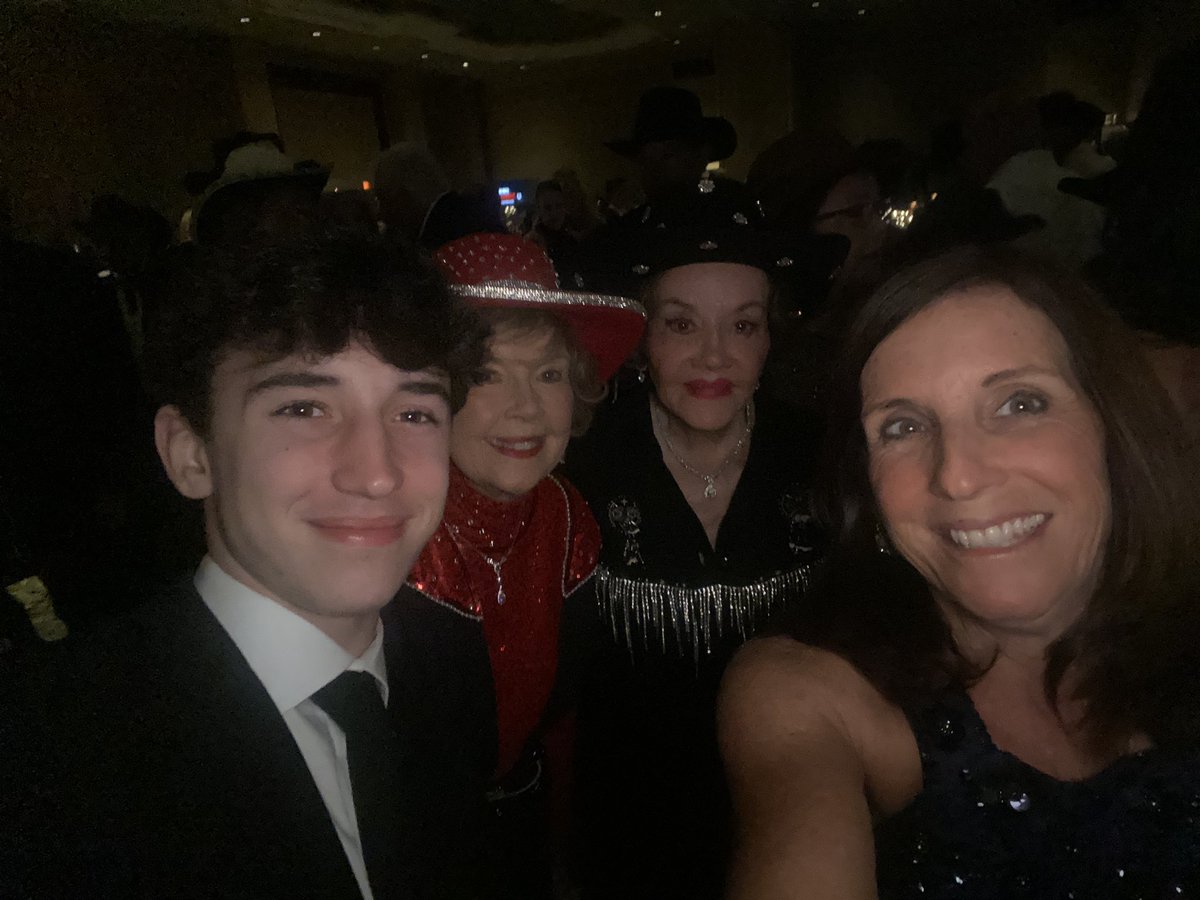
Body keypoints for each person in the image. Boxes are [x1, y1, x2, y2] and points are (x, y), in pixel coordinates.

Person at [0, 217, 496, 899]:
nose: (376, 474)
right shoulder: (45, 757)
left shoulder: (454, 658)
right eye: (302, 408)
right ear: (191, 453)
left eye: (414, 414)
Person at [719, 246, 1200, 899]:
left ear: (1116, 428)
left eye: (1020, 404)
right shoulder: (810, 694)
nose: (959, 475)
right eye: (904, 425)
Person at [565, 180, 847, 899]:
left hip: (797, 824)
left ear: (772, 335)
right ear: (641, 338)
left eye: (744, 326)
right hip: (623, 838)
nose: (715, 356)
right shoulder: (579, 464)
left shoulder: (825, 459)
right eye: (682, 325)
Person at [408, 231, 646, 898]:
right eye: (485, 374)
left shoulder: (571, 519)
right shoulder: (384, 527)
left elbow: (566, 723)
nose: (528, 408)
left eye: (549, 374)